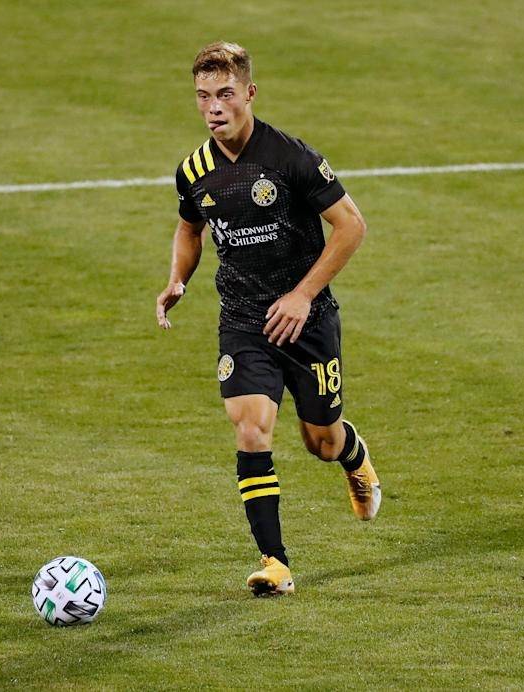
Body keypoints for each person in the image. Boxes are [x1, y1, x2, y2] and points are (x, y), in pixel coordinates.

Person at [156, 41, 381, 597]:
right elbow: (189, 227)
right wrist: (178, 278)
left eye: (225, 94)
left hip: (307, 321)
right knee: (251, 429)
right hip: (243, 321)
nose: (214, 107)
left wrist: (303, 295)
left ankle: (353, 454)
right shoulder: (194, 170)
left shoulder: (290, 158)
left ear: (250, 93)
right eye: (203, 96)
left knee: (321, 442)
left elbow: (352, 225)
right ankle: (275, 562)